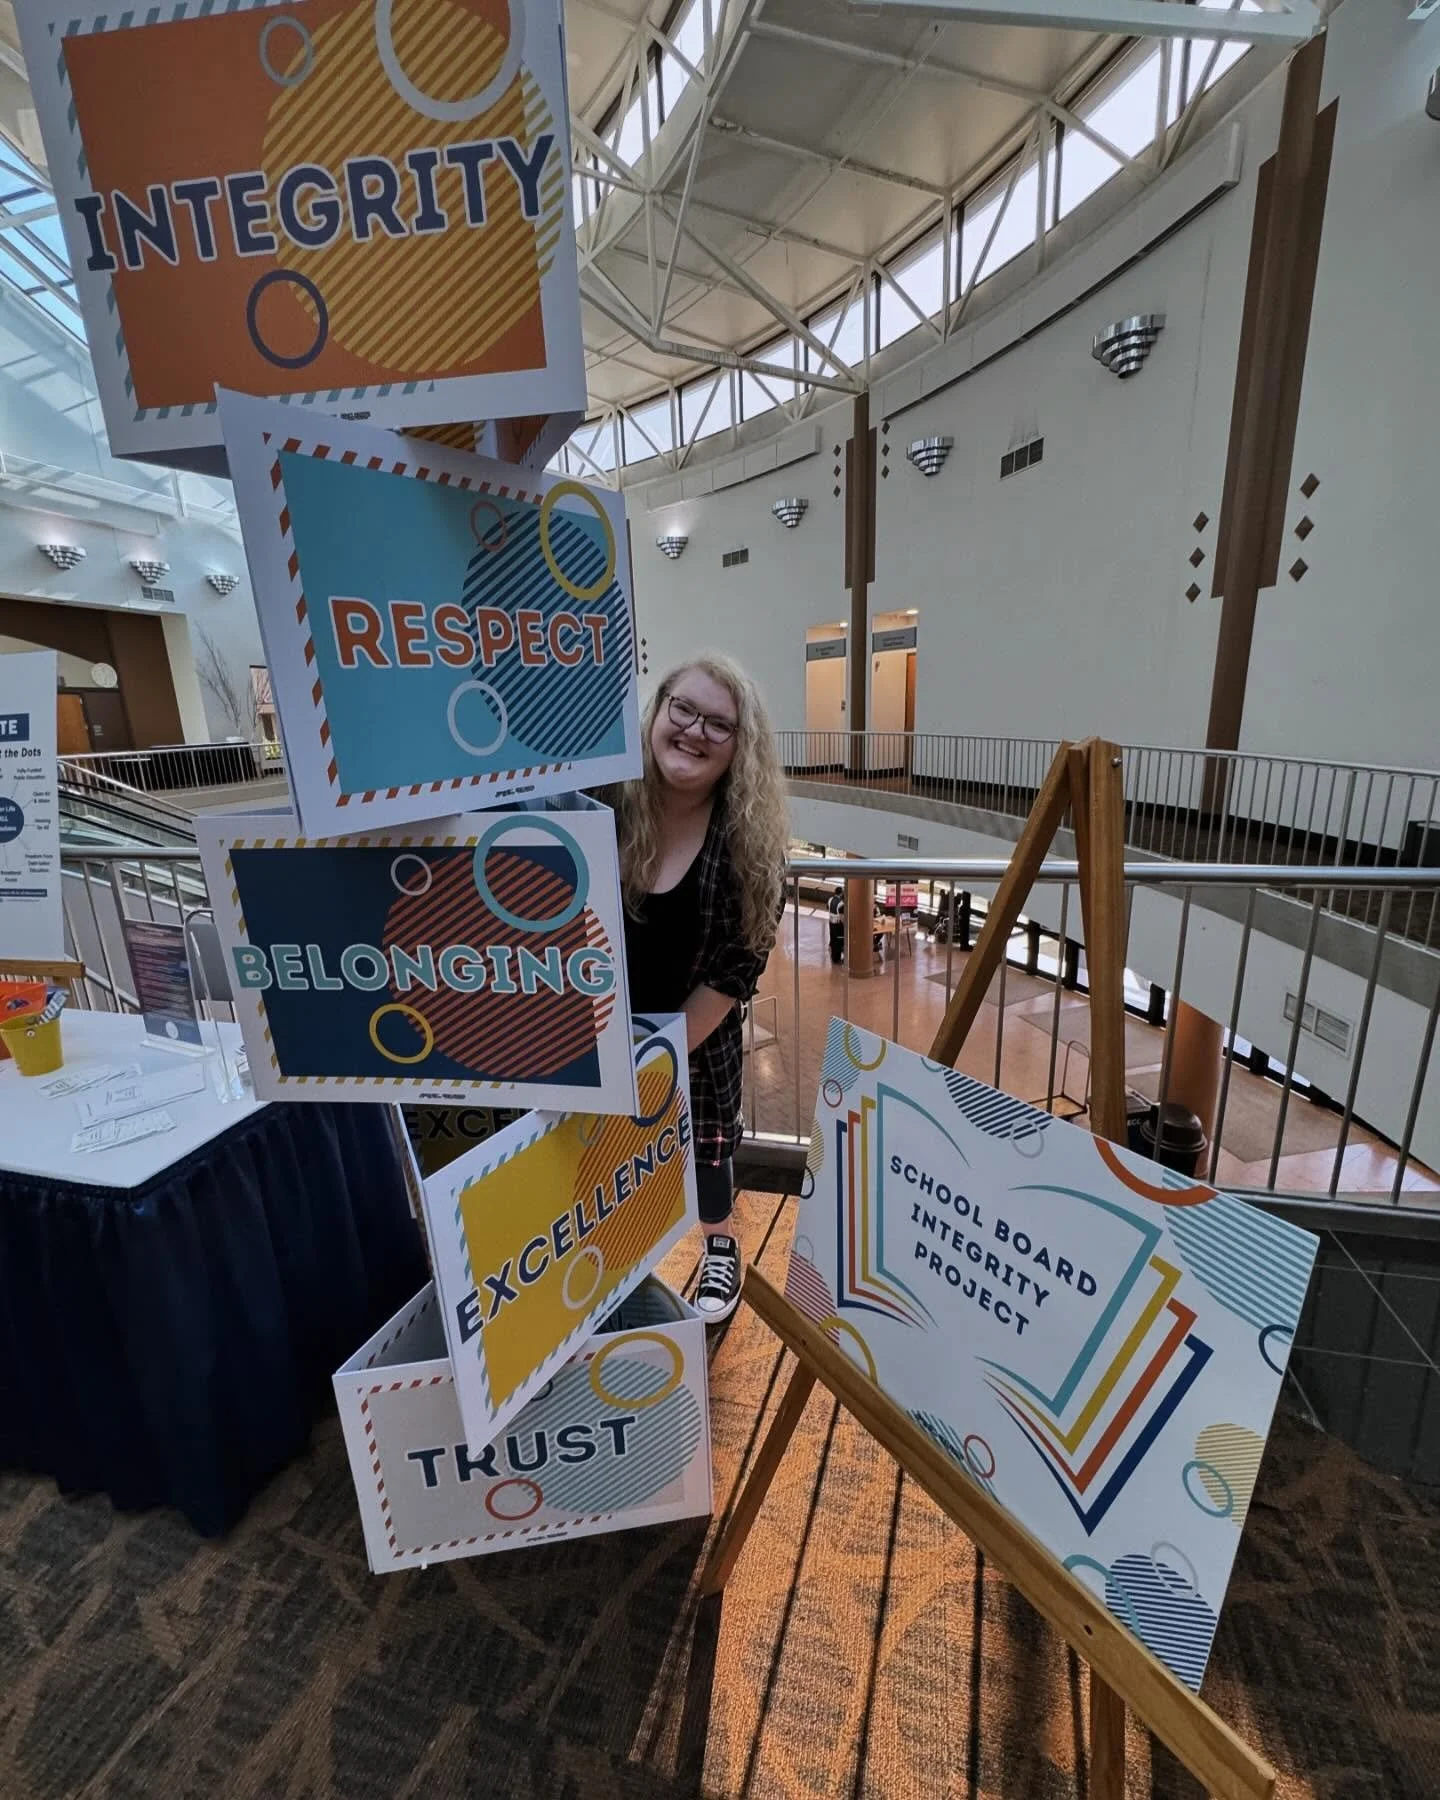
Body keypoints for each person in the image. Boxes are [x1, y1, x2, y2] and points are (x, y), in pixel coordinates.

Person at [608, 654, 789, 1321]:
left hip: (694, 1040)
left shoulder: (749, 844)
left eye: (720, 724)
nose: (694, 731)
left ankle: (721, 1250)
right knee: (599, 1164)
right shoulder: (599, 807)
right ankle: (610, 1264)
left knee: (706, 1153)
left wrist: (653, 1060)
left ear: (739, 748)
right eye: (683, 709)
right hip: (591, 1036)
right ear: (656, 711)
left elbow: (734, 970)